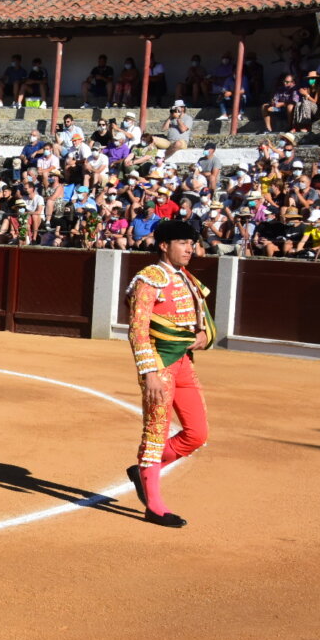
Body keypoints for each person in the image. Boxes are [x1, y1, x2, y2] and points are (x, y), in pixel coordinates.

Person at [124, 219, 215, 529]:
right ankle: (154, 505)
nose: (190, 248)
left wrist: (203, 336)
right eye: (182, 242)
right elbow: (138, 330)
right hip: (159, 364)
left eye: (191, 243)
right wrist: (148, 373)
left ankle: (144, 471)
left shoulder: (185, 278)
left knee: (198, 434)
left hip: (184, 362)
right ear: (164, 246)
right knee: (156, 430)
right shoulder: (149, 279)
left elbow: (197, 321)